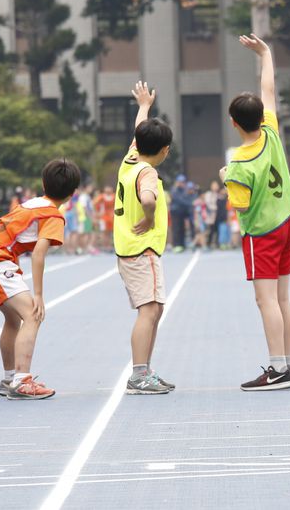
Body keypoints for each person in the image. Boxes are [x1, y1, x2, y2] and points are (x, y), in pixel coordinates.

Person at [221, 34, 290, 392]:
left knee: (265, 299)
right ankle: (286, 363)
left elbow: (239, 204)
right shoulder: (271, 130)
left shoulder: (238, 163)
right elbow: (269, 88)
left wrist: (225, 177)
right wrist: (266, 53)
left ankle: (277, 367)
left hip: (263, 233)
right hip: (287, 222)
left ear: (234, 123)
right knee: (283, 298)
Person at [0, 159, 80, 399]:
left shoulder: (30, 204)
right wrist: (38, 294)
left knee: (13, 318)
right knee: (32, 314)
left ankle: (10, 378)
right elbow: (39, 253)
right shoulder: (52, 216)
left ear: (43, 184)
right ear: (73, 193)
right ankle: (21, 380)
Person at [115, 81, 175, 395]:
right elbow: (148, 198)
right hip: (142, 246)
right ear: (165, 151)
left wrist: (143, 107)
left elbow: (140, 133)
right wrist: (149, 217)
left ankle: (146, 370)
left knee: (154, 309)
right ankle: (139, 373)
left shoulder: (130, 160)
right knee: (149, 310)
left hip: (128, 248)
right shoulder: (147, 172)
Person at [169, 175, 192, 252]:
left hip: (182, 213)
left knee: (182, 229)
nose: (182, 183)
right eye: (180, 182)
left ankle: (182, 245)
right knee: (176, 229)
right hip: (175, 212)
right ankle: (176, 245)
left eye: (183, 182)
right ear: (177, 182)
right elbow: (180, 200)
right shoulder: (174, 190)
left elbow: (187, 199)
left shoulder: (184, 190)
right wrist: (189, 203)